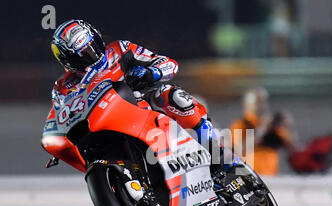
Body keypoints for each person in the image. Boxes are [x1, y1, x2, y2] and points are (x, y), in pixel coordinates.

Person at [50, 19, 231, 171]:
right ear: (68, 61)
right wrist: (60, 144)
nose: (91, 55)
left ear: (97, 37)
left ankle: (217, 153)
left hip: (143, 111)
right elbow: (60, 118)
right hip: (105, 128)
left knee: (172, 96)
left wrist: (151, 73)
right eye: (81, 56)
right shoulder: (63, 87)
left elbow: (168, 63)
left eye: (92, 47)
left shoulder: (120, 49)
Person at [248, 111, 296, 176]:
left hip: (269, 164)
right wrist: (263, 127)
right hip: (258, 162)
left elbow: (292, 147)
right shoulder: (263, 129)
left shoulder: (281, 132)